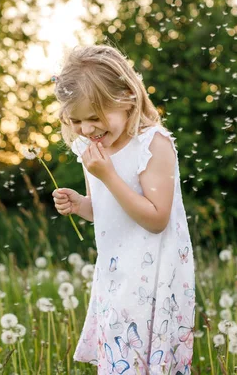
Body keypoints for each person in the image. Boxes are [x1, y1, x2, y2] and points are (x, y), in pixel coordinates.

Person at [51, 45, 196, 375]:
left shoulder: (152, 144)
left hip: (156, 277)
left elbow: (156, 218)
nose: (87, 130)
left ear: (128, 99)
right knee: (120, 364)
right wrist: (80, 205)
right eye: (76, 120)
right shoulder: (90, 149)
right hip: (116, 276)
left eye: (95, 118)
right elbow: (105, 210)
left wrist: (109, 176)